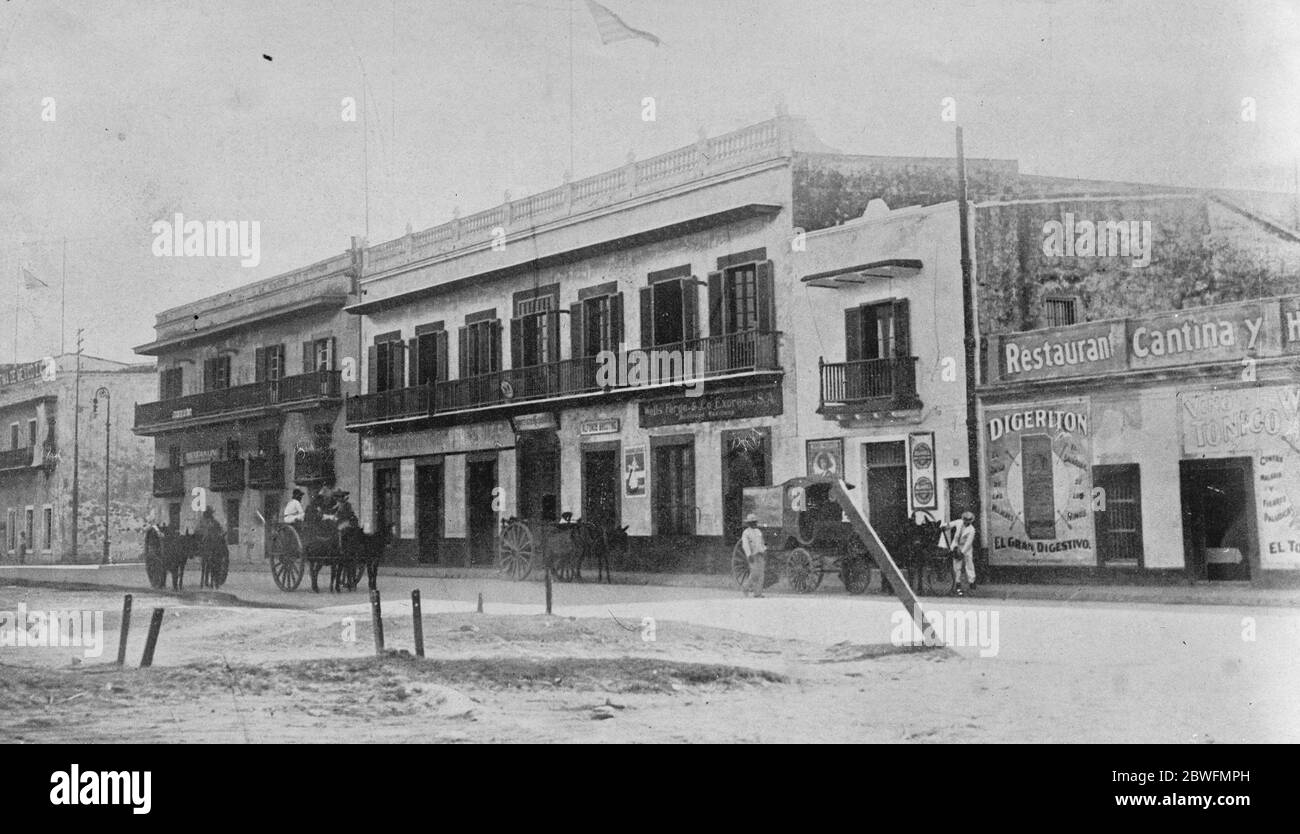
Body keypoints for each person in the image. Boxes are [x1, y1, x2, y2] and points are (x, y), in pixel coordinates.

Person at [945, 511, 977, 596]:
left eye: (969, 520)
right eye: (965, 520)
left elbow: (968, 543)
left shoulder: (972, 530)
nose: (967, 522)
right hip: (956, 545)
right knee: (957, 566)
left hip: (966, 548)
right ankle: (957, 583)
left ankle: (972, 582)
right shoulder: (959, 522)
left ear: (971, 521)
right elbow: (950, 524)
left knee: (969, 564)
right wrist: (944, 526)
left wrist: (962, 552)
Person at [739, 512, 767, 598]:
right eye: (753, 522)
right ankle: (745, 587)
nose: (755, 523)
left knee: (761, 574)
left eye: (755, 522)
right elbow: (745, 545)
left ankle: (758, 593)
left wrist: (764, 551)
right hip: (753, 555)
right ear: (749, 523)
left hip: (760, 554)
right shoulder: (746, 533)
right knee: (754, 573)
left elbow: (762, 542)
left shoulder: (758, 531)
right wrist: (748, 555)